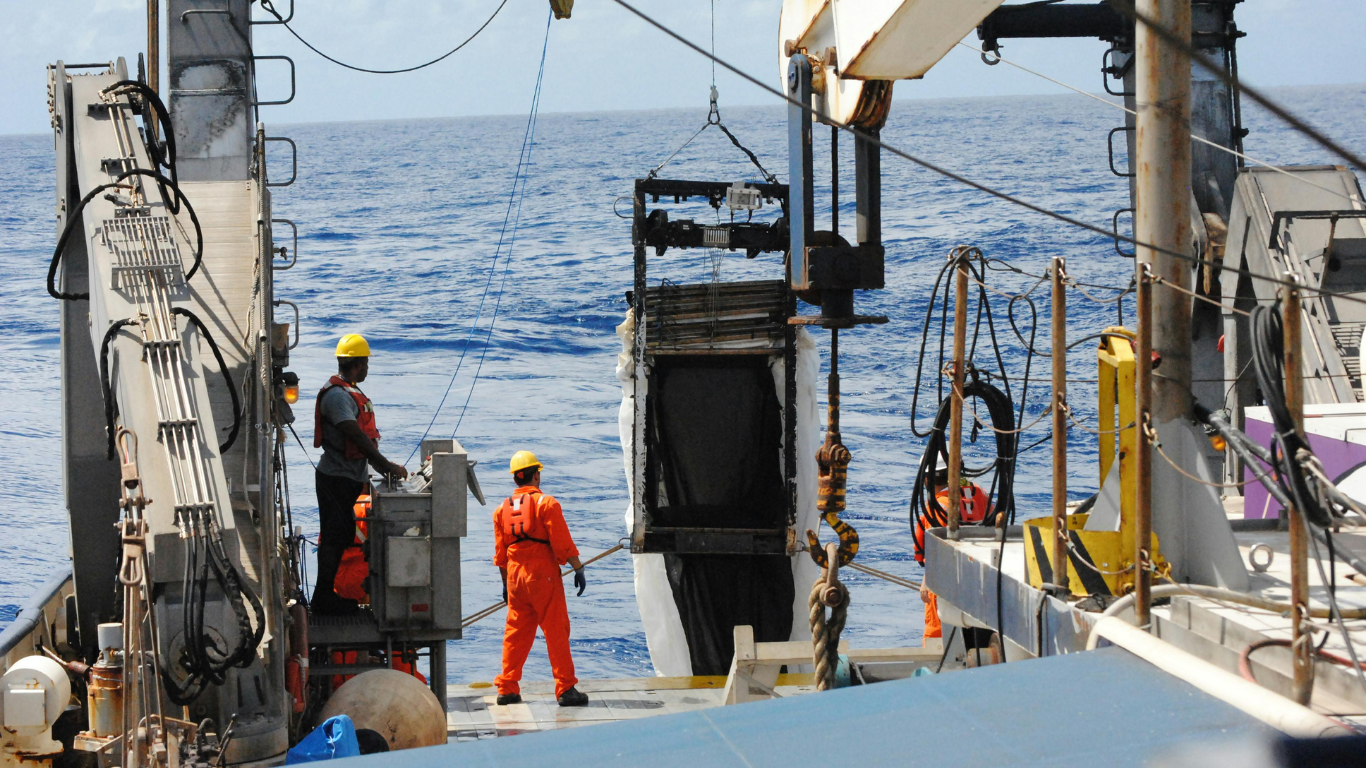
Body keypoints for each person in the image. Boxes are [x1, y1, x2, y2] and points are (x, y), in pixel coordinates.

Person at [311, 333, 408, 615]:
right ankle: (323, 598)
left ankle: (325, 596)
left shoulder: (349, 392)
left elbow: (363, 445)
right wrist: (386, 465)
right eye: (365, 363)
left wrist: (378, 469)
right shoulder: (337, 397)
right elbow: (357, 437)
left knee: (340, 534)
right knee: (333, 536)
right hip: (336, 478)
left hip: (349, 477)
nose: (367, 368)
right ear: (356, 364)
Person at [492, 451, 589, 707]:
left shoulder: (500, 510)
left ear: (515, 479)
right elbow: (563, 544)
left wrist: (505, 584)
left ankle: (507, 688)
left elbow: (500, 556)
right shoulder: (547, 504)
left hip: (514, 578)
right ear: (536, 475)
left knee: (515, 633)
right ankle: (566, 688)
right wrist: (578, 568)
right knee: (556, 629)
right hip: (542, 576)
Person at [914, 466, 989, 643]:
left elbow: (936, 551)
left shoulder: (937, 506)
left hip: (947, 580)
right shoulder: (978, 493)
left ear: (926, 479)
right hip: (981, 577)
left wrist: (926, 581)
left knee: (937, 634)